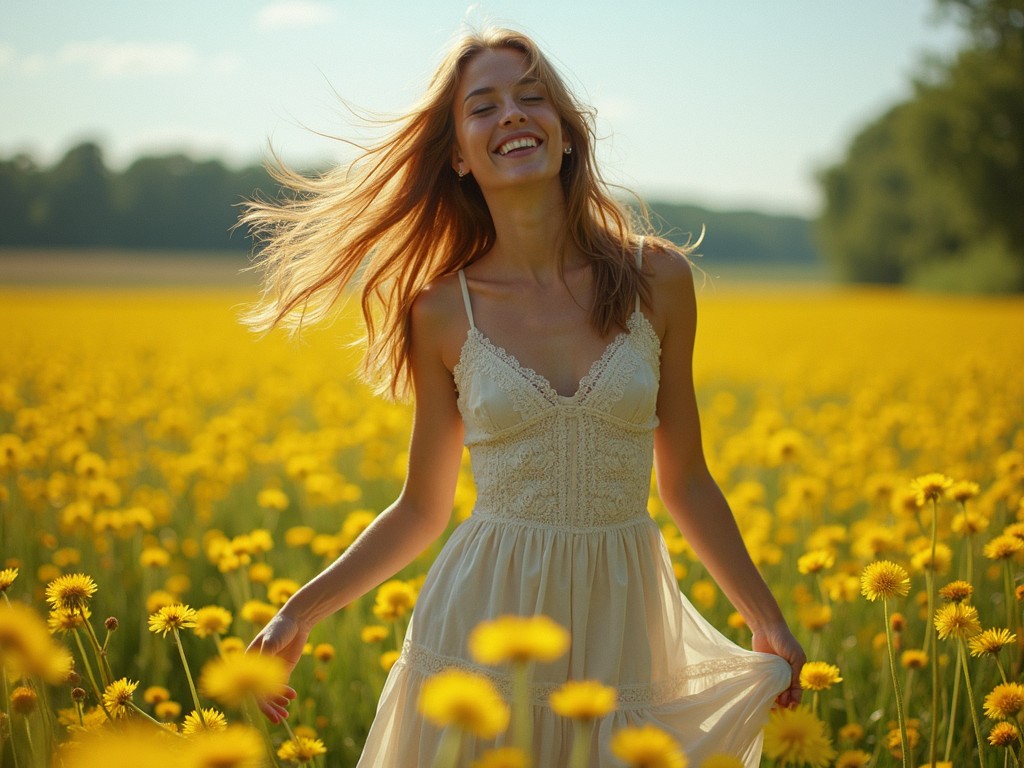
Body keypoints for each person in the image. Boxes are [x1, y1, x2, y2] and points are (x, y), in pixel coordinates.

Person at [243, 27, 805, 767]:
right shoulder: (441, 310)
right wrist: (298, 611)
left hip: (622, 617)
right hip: (482, 622)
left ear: (566, 135)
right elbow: (422, 508)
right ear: (457, 154)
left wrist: (764, 618)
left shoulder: (658, 280)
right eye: (484, 106)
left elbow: (686, 479)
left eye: (530, 98)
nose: (510, 114)